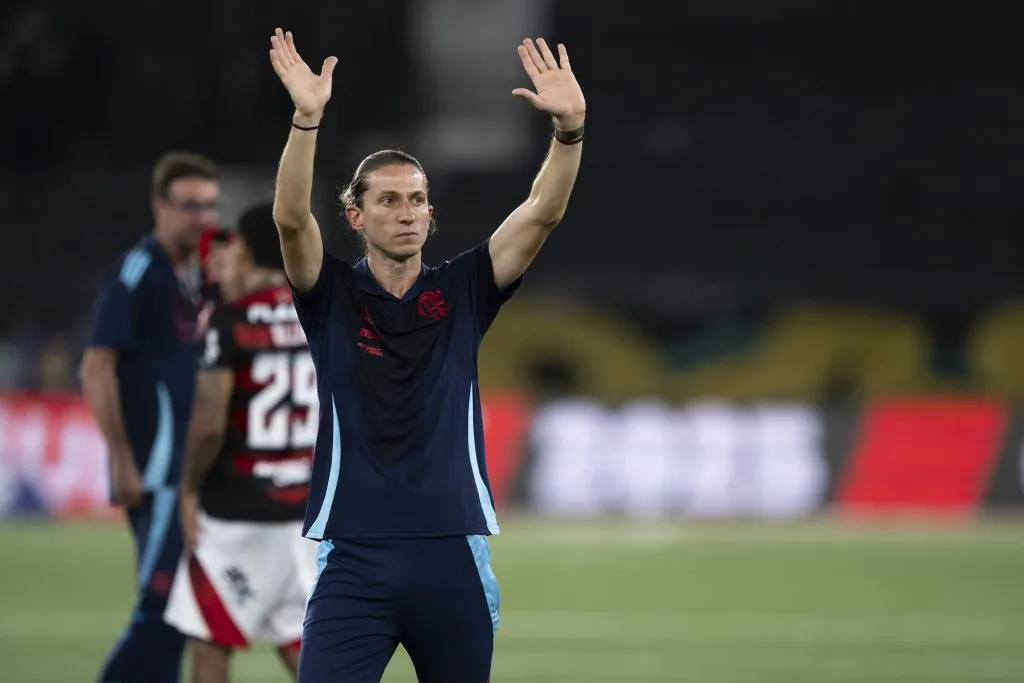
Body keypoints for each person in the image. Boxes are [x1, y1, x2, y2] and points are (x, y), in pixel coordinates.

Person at [267, 27, 586, 683]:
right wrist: (306, 121)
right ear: (355, 215)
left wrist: (570, 133)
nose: (406, 212)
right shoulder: (330, 295)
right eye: (387, 199)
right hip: (354, 552)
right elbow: (293, 221)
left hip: (453, 549)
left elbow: (541, 213)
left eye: (416, 199)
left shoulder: (464, 288)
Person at [79, 151, 219, 683]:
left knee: (182, 613)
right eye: (189, 205)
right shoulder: (138, 272)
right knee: (161, 607)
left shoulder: (197, 277)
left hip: (190, 472)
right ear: (160, 205)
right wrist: (121, 458)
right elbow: (96, 367)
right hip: (158, 470)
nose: (202, 217)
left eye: (209, 205)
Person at [164, 203, 318, 683]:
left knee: (210, 638)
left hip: (238, 510)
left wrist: (188, 488)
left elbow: (210, 424)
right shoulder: (322, 315)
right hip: (305, 509)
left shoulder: (231, 321)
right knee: (304, 646)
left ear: (245, 249)